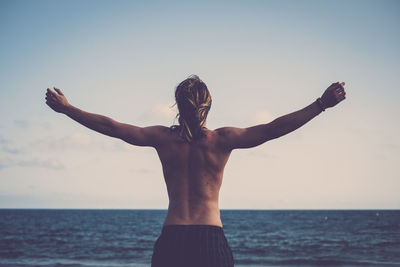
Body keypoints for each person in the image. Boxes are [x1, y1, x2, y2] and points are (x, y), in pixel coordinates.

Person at [45, 75, 346, 267]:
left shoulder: (162, 138)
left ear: (178, 104)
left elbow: (111, 128)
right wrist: (321, 104)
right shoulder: (223, 140)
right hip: (210, 241)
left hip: (172, 238)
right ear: (208, 106)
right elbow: (273, 129)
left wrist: (67, 108)